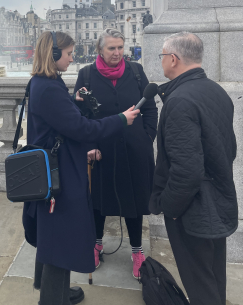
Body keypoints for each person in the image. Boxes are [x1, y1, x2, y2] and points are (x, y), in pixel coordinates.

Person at [23, 31, 140, 305]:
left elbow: (58, 121)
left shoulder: (41, 83)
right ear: (53, 55)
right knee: (59, 237)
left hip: (51, 168)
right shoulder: (50, 88)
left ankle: (54, 290)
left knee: (52, 234)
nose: (72, 58)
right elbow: (81, 129)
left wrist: (72, 106)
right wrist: (121, 120)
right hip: (59, 173)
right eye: (69, 53)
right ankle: (53, 299)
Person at [150, 32, 238, 305]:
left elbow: (186, 169)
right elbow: (228, 148)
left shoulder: (179, 101)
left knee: (199, 284)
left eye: (163, 56)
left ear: (173, 59)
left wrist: (171, 207)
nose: (162, 61)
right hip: (216, 200)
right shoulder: (215, 90)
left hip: (191, 209)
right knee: (213, 277)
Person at [74, 28, 158, 279]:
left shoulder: (136, 71)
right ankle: (96, 244)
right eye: (111, 48)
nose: (117, 53)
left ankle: (137, 250)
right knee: (98, 201)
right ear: (100, 50)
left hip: (135, 149)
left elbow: (151, 108)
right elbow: (78, 115)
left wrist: (147, 139)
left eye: (120, 47)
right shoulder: (86, 74)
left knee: (134, 201)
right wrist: (88, 146)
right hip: (101, 150)